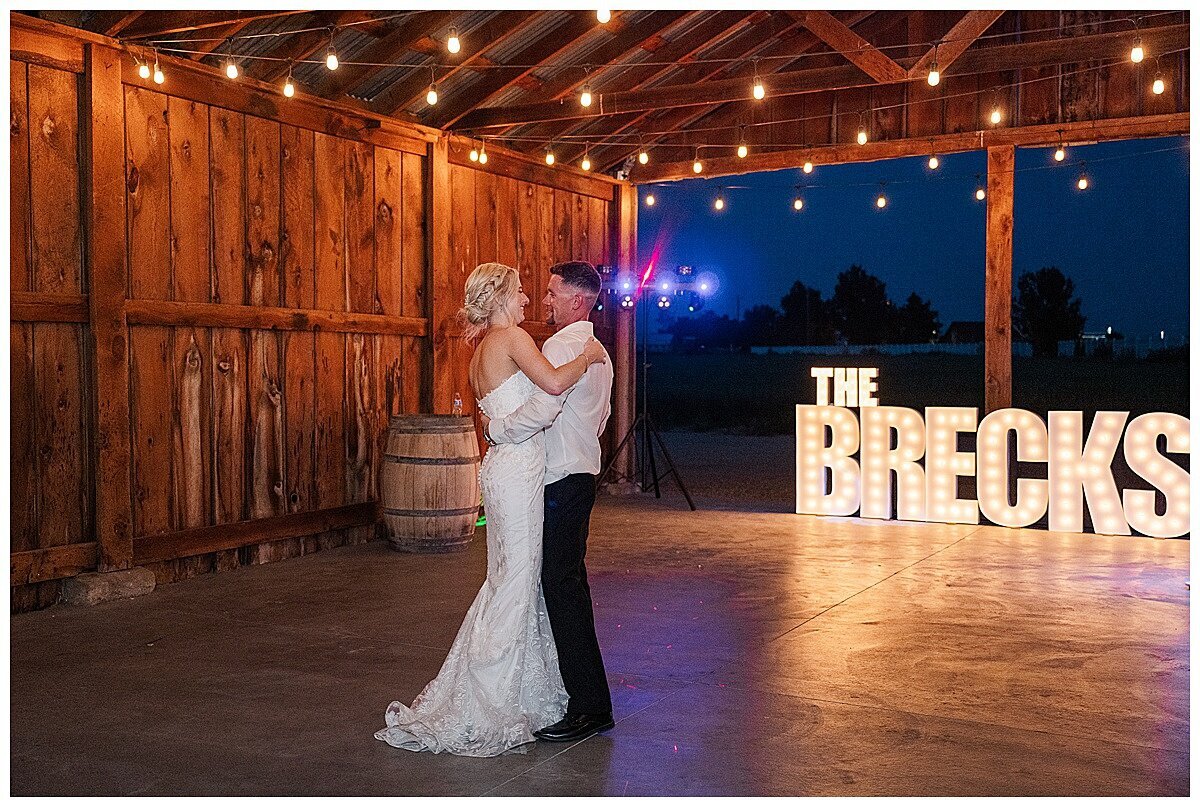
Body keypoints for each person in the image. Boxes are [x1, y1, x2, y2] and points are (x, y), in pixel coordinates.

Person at [374, 262, 607, 757]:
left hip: (508, 469)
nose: (530, 299)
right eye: (524, 291)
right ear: (502, 294)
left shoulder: (484, 347)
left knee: (511, 578)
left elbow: (515, 407)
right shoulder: (518, 339)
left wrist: (497, 431)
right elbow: (550, 394)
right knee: (519, 581)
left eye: (540, 291)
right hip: (521, 468)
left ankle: (523, 689)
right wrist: (587, 359)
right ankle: (492, 696)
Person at [482, 260, 615, 743]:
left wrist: (497, 430)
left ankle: (589, 707)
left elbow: (543, 407)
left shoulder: (561, 347)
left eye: (554, 293)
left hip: (559, 480)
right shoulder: (599, 351)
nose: (544, 300)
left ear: (578, 300)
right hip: (579, 474)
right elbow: (599, 418)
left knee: (562, 588)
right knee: (566, 584)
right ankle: (581, 697)